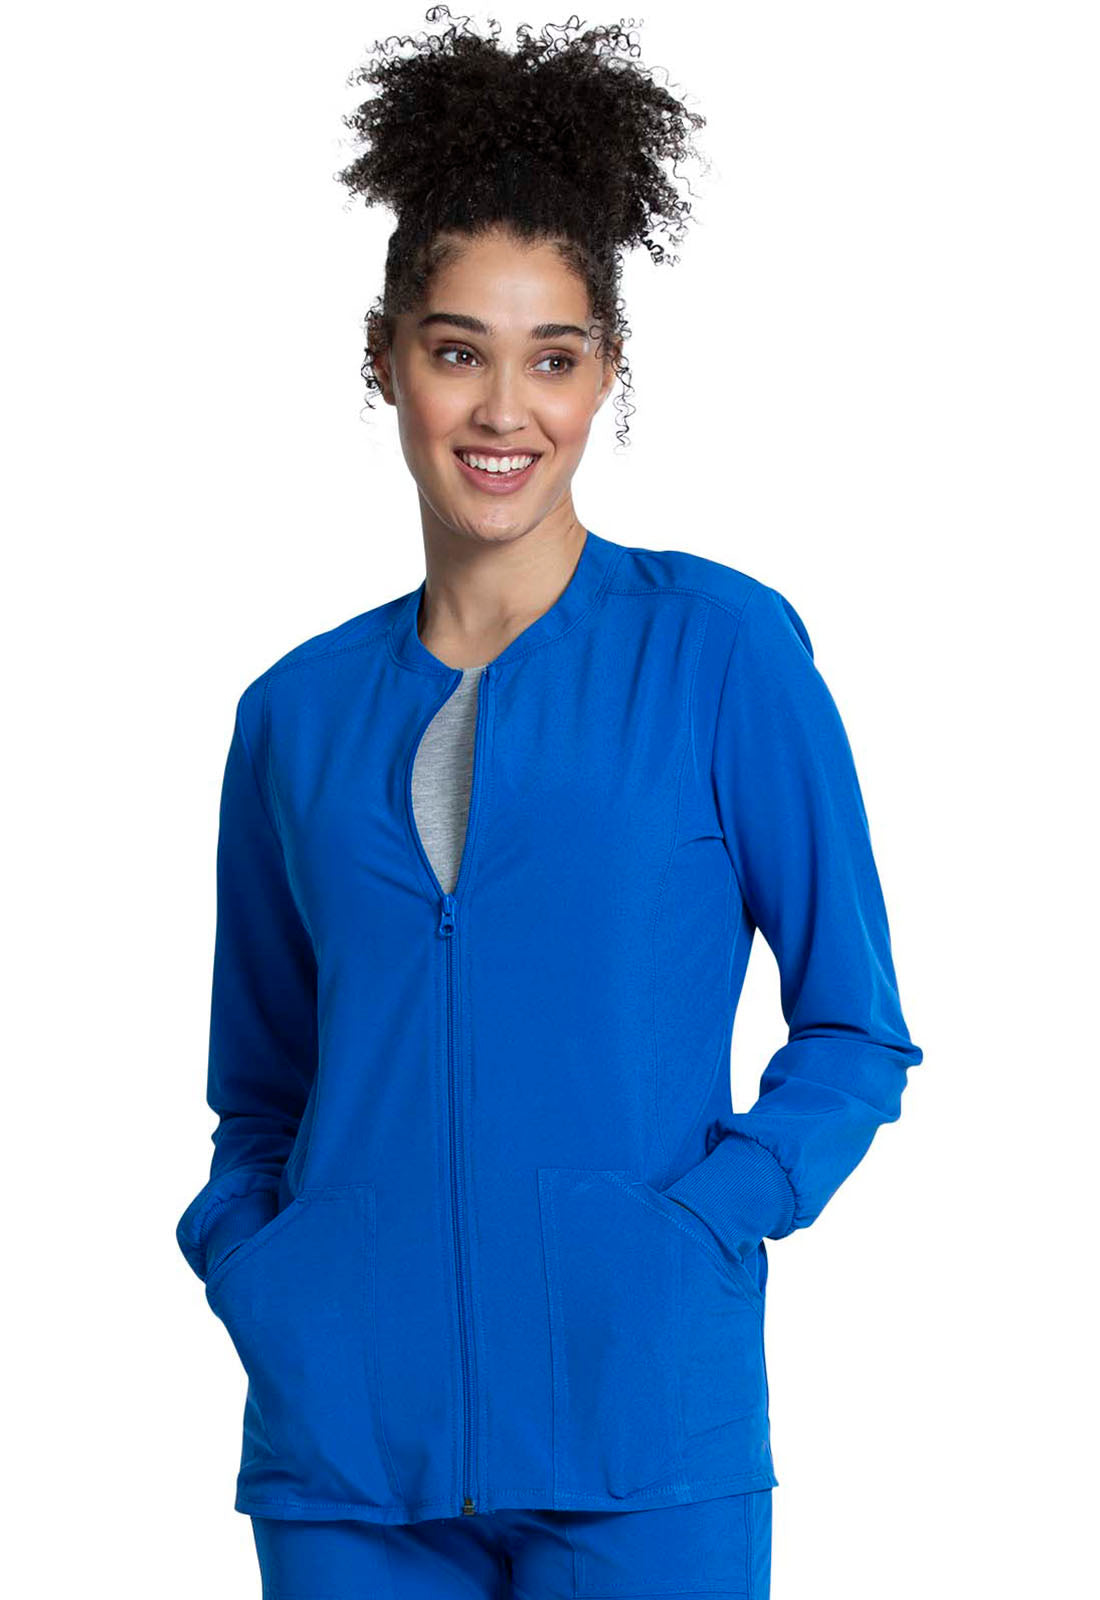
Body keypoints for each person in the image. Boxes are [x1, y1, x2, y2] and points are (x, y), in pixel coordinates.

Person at [175, 11, 923, 1598]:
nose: (505, 411)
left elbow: (856, 1030)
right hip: (346, 1454)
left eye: (555, 358)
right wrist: (259, 1264)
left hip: (642, 1435)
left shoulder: (719, 652)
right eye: (459, 352)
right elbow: (262, 1084)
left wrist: (696, 1233)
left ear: (605, 376)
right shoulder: (291, 715)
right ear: (385, 357)